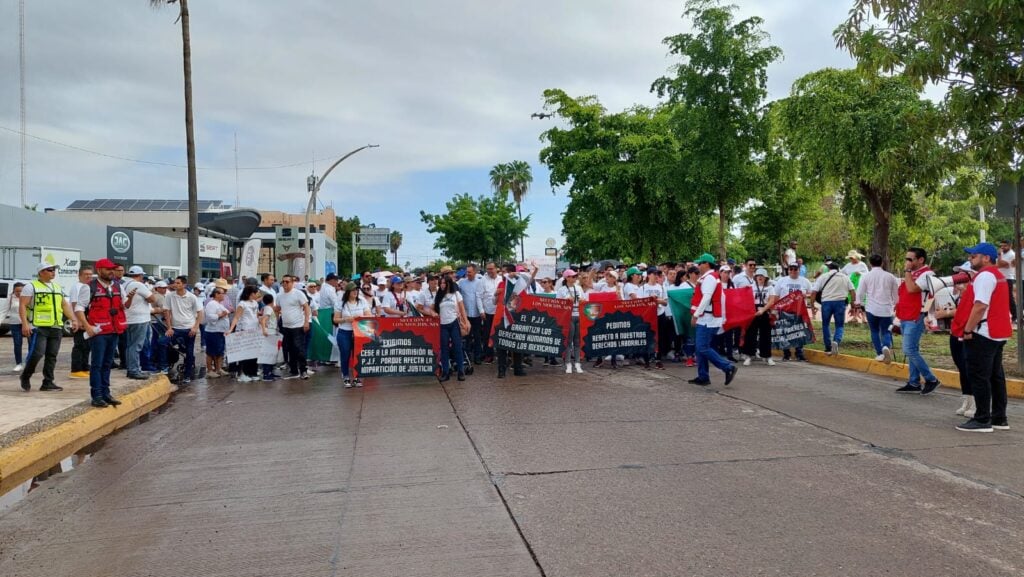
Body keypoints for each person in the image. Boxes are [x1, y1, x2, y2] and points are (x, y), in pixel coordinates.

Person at [955, 243, 1012, 433]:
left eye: (974, 256)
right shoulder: (998, 275)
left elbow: (980, 306)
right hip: (997, 332)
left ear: (986, 258)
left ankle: (981, 419)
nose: (970, 259)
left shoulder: (985, 276)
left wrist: (968, 329)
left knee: (979, 376)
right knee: (996, 376)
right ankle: (999, 417)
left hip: (984, 332)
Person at [74, 259, 127, 407]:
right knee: (97, 364)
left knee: (107, 363)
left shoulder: (117, 286)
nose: (112, 272)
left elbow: (124, 304)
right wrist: (87, 326)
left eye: (113, 269)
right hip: (98, 332)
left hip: (114, 330)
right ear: (99, 270)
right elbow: (79, 308)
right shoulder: (89, 287)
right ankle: (96, 395)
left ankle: (106, 393)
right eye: (108, 269)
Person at [19, 262, 78, 392]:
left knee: (52, 355)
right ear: (41, 272)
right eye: (50, 270)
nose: (53, 272)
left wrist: (73, 319)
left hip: (56, 326)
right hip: (38, 326)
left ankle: (48, 382)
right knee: (37, 353)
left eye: (54, 270)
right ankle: (26, 375)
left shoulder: (56, 287)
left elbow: (64, 305)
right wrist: (24, 324)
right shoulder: (31, 287)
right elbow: (22, 305)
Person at [688, 253, 738, 386]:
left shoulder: (709, 278)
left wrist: (696, 314)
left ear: (706, 264)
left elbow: (706, 298)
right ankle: (703, 376)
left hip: (707, 319)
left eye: (700, 263)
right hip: (707, 317)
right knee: (700, 349)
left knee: (702, 347)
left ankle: (728, 367)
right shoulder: (710, 277)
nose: (698, 266)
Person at [896, 247, 941, 394]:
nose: (907, 262)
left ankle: (931, 379)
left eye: (910, 259)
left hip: (915, 316)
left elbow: (912, 289)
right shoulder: (914, 274)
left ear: (920, 260)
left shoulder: (927, 274)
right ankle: (914, 382)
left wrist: (907, 272)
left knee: (909, 349)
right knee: (912, 350)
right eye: (906, 259)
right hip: (905, 315)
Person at [855, 254, 900, 363]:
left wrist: (859, 304)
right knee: (886, 331)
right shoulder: (890, 277)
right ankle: (886, 346)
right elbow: (896, 294)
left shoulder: (865, 276)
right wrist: (896, 305)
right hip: (886, 309)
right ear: (882, 263)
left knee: (874, 331)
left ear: (870, 264)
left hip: (871, 309)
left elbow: (860, 292)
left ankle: (880, 353)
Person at [809, 261, 856, 357]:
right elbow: (852, 291)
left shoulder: (823, 277)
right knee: (839, 325)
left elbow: (814, 292)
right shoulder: (844, 277)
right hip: (840, 302)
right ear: (838, 268)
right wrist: (852, 303)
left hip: (826, 303)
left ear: (829, 268)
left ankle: (828, 346)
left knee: (825, 325)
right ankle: (836, 341)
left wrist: (812, 304)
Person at [163, 275, 204, 385]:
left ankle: (187, 375)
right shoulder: (170, 296)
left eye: (178, 283)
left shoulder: (192, 297)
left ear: (184, 285)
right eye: (175, 283)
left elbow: (200, 312)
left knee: (189, 352)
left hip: (189, 329)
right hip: (175, 329)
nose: (175, 285)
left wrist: (195, 327)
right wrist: (169, 327)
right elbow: (166, 312)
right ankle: (164, 366)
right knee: (162, 343)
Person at [768, 262, 813, 362]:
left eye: (795, 269)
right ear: (788, 270)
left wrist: (806, 295)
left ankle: (799, 353)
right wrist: (774, 309)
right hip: (784, 311)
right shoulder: (782, 281)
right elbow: (776, 296)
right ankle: (786, 354)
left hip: (799, 311)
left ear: (799, 270)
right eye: (791, 269)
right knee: (785, 332)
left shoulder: (805, 281)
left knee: (799, 332)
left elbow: (811, 293)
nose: (793, 271)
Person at [122, 265, 157, 380]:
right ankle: (134, 370)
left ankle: (131, 368)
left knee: (130, 345)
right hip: (139, 319)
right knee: (136, 345)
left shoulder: (124, 284)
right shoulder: (138, 284)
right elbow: (152, 299)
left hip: (129, 318)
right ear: (140, 275)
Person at [334, 284, 370, 388]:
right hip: (345, 331)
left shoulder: (362, 301)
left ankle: (356, 376)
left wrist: (360, 317)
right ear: (348, 292)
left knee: (357, 355)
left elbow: (369, 315)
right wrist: (346, 319)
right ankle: (345, 375)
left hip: (358, 331)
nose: (355, 292)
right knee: (345, 354)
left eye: (357, 290)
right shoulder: (340, 303)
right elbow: (335, 319)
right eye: (353, 290)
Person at [433, 275, 468, 381]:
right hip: (443, 324)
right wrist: (432, 313)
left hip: (454, 323)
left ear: (449, 283)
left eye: (444, 283)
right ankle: (445, 372)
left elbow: (462, 309)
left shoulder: (456, 294)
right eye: (441, 283)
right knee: (444, 349)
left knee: (457, 347)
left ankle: (461, 371)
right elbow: (433, 309)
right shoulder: (439, 296)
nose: (442, 285)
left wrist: (466, 322)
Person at [278, 275, 311, 380]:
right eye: (283, 282)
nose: (285, 284)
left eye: (287, 282)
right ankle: (293, 370)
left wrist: (306, 322)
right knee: (289, 348)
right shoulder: (279, 296)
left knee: (299, 348)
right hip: (286, 326)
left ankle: (303, 370)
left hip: (297, 325)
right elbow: (277, 308)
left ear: (292, 283)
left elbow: (306, 307)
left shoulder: (298, 294)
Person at [228, 285, 262, 382]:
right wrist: (231, 329)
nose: (258, 295)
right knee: (244, 354)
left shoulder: (255, 303)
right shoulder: (242, 304)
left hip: (254, 330)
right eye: (256, 293)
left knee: (254, 353)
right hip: (244, 329)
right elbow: (236, 317)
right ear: (251, 294)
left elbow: (256, 315)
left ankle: (252, 372)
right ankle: (243, 373)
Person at [556, 269, 586, 374]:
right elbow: (557, 304)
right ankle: (568, 363)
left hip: (579, 315)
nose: (574, 278)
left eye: (575, 276)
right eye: (572, 276)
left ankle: (577, 363)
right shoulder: (561, 290)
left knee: (577, 341)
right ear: (567, 278)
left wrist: (583, 300)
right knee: (569, 341)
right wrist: (566, 300)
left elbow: (585, 300)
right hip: (568, 316)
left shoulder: (579, 288)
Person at [744, 268, 775, 366]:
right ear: (755, 277)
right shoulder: (750, 287)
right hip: (753, 311)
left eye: (762, 276)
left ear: (766, 278)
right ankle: (749, 355)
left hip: (764, 311)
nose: (760, 277)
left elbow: (771, 301)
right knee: (750, 334)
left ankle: (767, 356)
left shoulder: (770, 288)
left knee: (766, 334)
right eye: (758, 276)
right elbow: (745, 300)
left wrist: (763, 310)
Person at [68, 265, 94, 379]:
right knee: (79, 345)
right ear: (79, 275)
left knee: (86, 345)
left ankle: (84, 367)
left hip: (87, 319)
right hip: (79, 320)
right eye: (86, 274)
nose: (88, 276)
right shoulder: (77, 287)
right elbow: (74, 304)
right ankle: (76, 369)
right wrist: (78, 321)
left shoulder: (88, 286)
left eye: (90, 274)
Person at [458, 264, 485, 365]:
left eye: (469, 272)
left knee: (477, 336)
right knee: (467, 337)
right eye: (467, 272)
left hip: (477, 314)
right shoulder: (461, 283)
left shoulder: (480, 282)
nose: (467, 274)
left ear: (475, 272)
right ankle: (467, 356)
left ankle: (477, 356)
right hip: (466, 314)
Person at [642, 269, 669, 369]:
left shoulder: (661, 287)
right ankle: (647, 359)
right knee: (647, 337)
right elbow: (640, 302)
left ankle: (658, 359)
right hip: (648, 315)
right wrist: (649, 300)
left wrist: (657, 300)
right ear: (649, 275)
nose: (656, 276)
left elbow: (666, 302)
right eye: (654, 274)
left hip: (659, 313)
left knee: (660, 337)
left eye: (658, 274)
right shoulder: (643, 287)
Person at [203, 287, 231, 378]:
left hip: (221, 331)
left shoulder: (219, 304)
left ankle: (219, 369)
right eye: (222, 293)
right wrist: (220, 315)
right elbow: (210, 317)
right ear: (216, 294)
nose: (224, 295)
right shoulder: (211, 304)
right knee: (211, 352)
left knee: (220, 351)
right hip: (213, 331)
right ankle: (210, 370)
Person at [842, 250, 869, 324]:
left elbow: (867, 273)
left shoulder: (862, 264)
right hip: (851, 284)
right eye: (850, 258)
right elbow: (842, 272)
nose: (851, 259)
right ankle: (854, 317)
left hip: (860, 284)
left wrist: (860, 273)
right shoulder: (848, 265)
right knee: (852, 300)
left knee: (862, 300)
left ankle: (864, 318)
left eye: (852, 258)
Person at [6, 282, 27, 373]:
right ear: (13, 290)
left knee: (32, 344)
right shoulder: (10, 298)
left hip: (27, 323)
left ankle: (28, 362)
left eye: (21, 291)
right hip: (14, 323)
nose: (19, 293)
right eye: (17, 291)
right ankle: (19, 363)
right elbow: (4, 311)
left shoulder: (28, 298)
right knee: (17, 343)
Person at [259, 293, 280, 382]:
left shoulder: (269, 308)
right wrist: (264, 330)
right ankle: (266, 374)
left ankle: (270, 372)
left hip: (272, 331)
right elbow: (264, 319)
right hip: (269, 332)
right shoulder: (268, 308)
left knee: (272, 353)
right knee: (268, 353)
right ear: (272, 300)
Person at [997, 239, 1017, 322]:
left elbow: (1002, 264)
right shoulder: (1002, 254)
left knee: (1009, 298)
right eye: (1001, 246)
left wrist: (998, 256)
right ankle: (1003, 315)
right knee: (1000, 298)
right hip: (1000, 278)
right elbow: (998, 264)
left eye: (1005, 246)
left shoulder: (1012, 254)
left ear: (1010, 246)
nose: (1002, 247)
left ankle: (1015, 316)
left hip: (1008, 278)